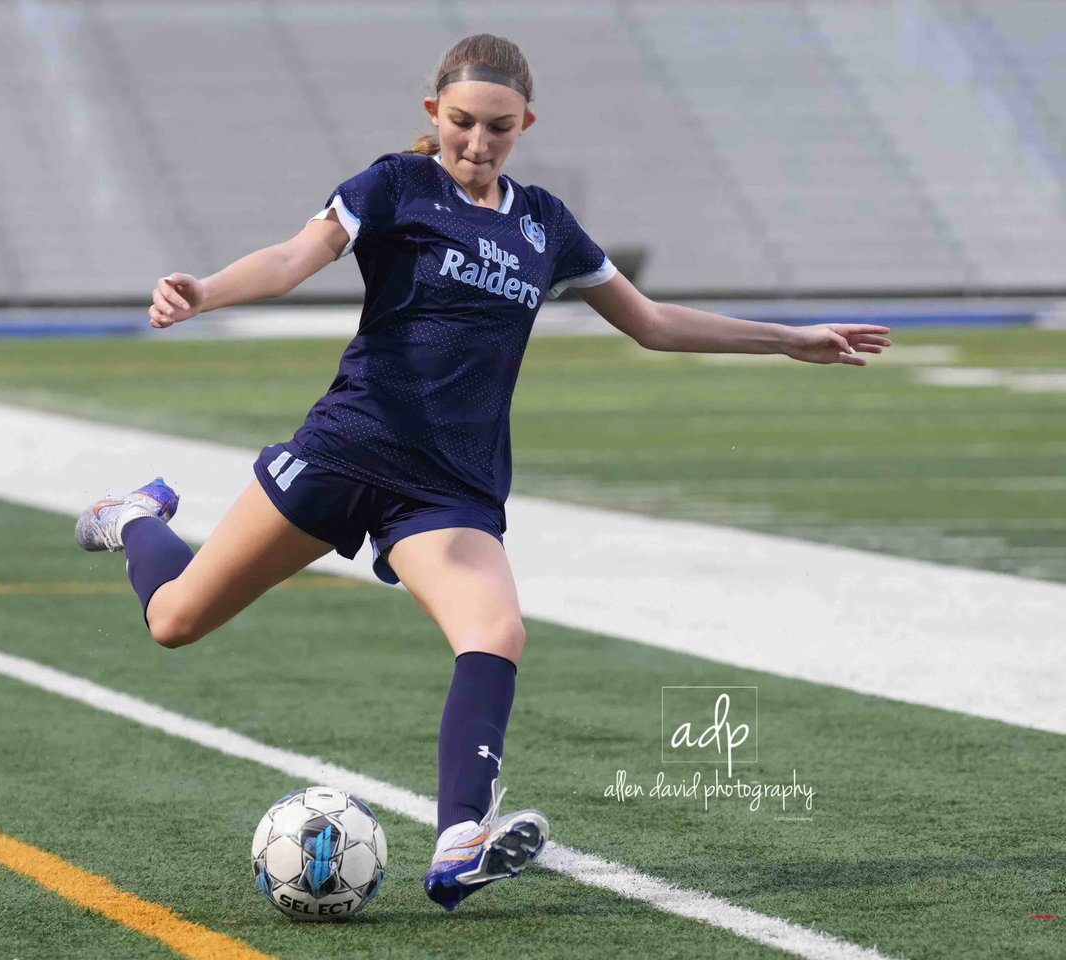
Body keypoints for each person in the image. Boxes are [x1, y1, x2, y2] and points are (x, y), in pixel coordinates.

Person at [75, 33, 892, 911]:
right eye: (461, 123)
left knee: (496, 632)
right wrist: (203, 290)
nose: (476, 142)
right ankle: (135, 516)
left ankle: (461, 837)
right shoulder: (396, 185)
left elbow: (650, 322)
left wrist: (791, 340)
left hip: (451, 486)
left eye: (498, 128)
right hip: (351, 445)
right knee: (174, 622)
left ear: (525, 124)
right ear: (435, 113)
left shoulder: (546, 222)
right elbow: (288, 259)